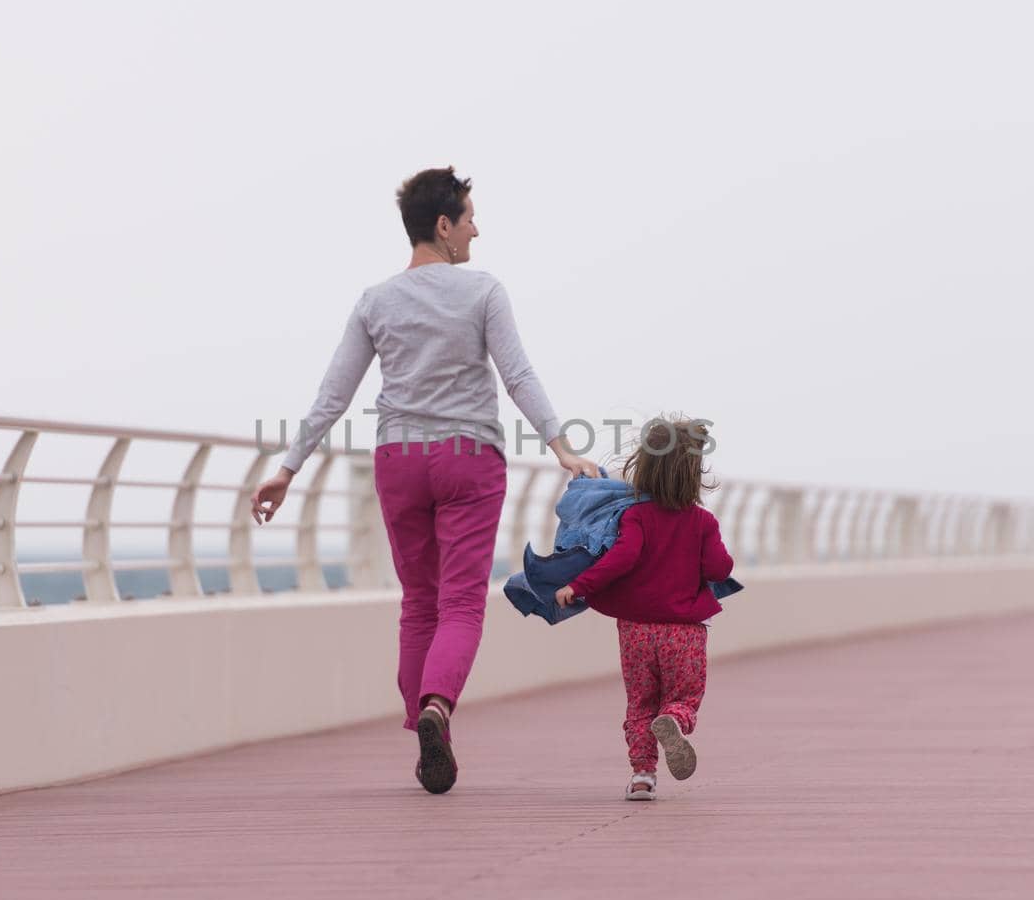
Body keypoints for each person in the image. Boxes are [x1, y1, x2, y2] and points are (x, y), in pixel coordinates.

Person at [250, 166, 599, 794]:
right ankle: (439, 707)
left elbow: (335, 393)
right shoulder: (483, 291)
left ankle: (423, 730)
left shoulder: (375, 300)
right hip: (468, 459)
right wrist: (561, 446)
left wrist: (287, 468)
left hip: (400, 461)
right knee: (462, 603)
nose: (476, 230)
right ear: (443, 225)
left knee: (418, 602)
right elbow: (518, 374)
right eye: (469, 218)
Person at [554, 416, 735, 801]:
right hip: (682, 633)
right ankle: (673, 721)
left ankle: (642, 777)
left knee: (639, 704)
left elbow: (620, 559)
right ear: (693, 473)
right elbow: (720, 569)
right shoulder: (702, 523)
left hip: (635, 631)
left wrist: (577, 585)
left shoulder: (634, 516)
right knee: (682, 698)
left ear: (646, 467)